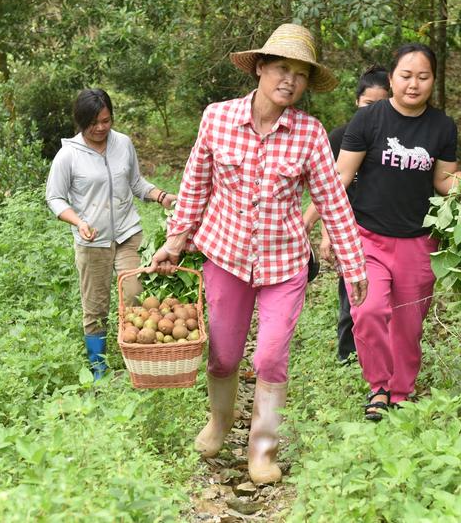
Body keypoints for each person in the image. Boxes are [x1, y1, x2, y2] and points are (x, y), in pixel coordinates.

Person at [148, 24, 368, 484]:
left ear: (307, 84)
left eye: (300, 74)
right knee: (223, 357)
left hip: (284, 263)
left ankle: (262, 449)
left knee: (270, 357)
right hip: (224, 256)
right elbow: (195, 185)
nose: (289, 80)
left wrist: (353, 263)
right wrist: (174, 240)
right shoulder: (218, 118)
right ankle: (220, 422)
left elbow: (332, 200)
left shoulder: (309, 133)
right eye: (281, 69)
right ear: (261, 69)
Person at [305, 43, 461, 421]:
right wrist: (306, 222)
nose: (414, 84)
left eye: (423, 77)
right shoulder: (368, 121)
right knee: (368, 310)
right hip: (367, 238)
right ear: (393, 77)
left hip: (418, 241)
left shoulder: (442, 126)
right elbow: (340, 178)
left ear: (433, 80)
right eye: (406, 75)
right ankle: (378, 386)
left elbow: (444, 182)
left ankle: (401, 393)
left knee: (408, 325)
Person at [46, 88, 176, 380]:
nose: (101, 128)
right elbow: (54, 198)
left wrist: (161, 196)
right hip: (92, 242)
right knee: (95, 306)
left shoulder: (123, 144)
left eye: (106, 120)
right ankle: (99, 370)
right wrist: (78, 222)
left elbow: (136, 183)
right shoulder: (68, 155)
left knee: (136, 295)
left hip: (128, 234)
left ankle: (142, 362)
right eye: (94, 123)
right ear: (81, 122)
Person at [320, 65, 390, 364]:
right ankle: (347, 354)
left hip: (384, 230)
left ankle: (381, 355)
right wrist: (327, 234)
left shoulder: (393, 141)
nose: (374, 112)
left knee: (384, 301)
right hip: (349, 229)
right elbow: (329, 190)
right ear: (356, 102)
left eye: (382, 105)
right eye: (368, 105)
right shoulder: (338, 138)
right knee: (350, 297)